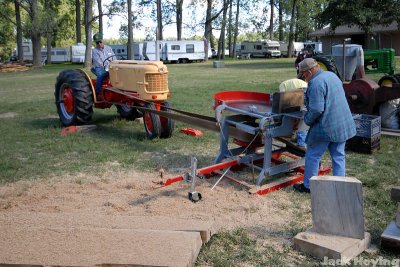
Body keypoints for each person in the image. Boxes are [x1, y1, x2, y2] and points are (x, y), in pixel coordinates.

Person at [293, 58, 356, 193]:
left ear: (309, 72)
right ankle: (340, 186)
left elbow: (316, 109)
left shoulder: (316, 83)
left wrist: (307, 120)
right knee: (338, 155)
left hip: (327, 126)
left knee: (313, 155)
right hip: (342, 123)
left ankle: (308, 186)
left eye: (303, 74)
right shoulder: (332, 75)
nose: (304, 78)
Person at [278, 78, 309, 147]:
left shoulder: (281, 86)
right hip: (304, 87)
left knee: (301, 116)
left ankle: (301, 143)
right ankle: (298, 138)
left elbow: (282, 98)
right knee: (299, 114)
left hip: (302, 89)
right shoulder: (285, 84)